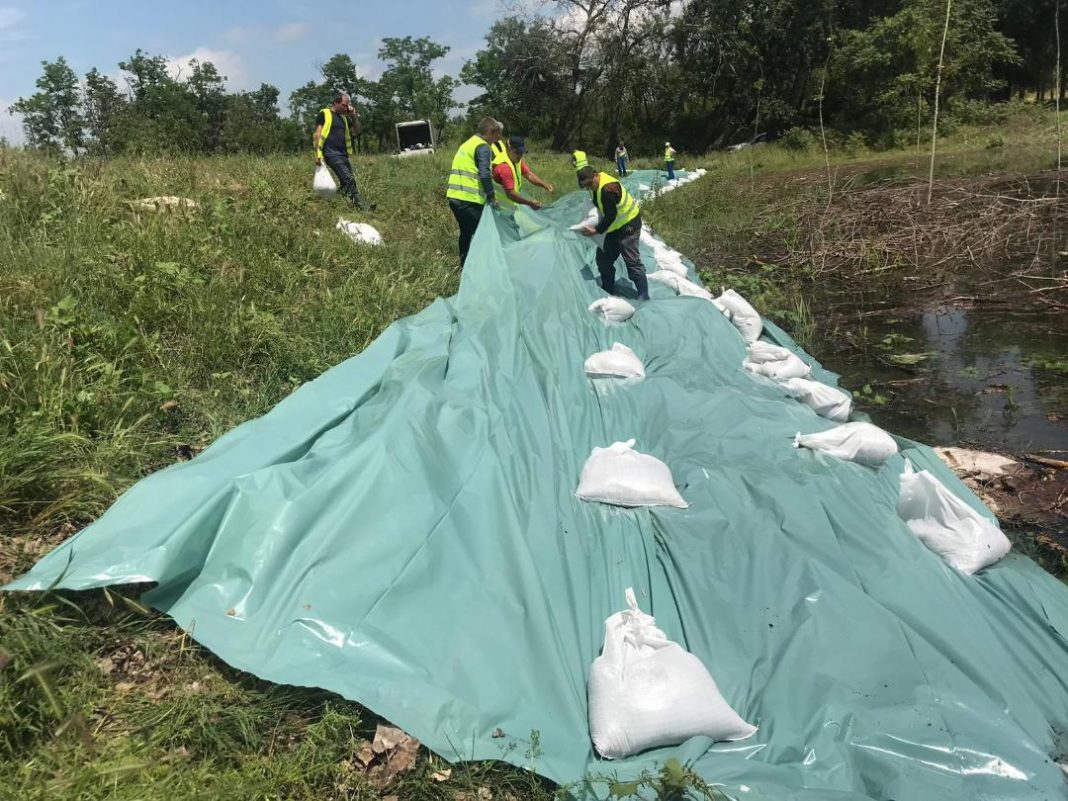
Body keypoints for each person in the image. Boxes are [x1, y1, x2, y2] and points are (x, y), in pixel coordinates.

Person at [573, 153, 649, 301]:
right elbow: (598, 205)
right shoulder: (597, 183)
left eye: (589, 184)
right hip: (615, 227)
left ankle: (644, 294)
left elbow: (610, 216)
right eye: (585, 186)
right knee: (603, 258)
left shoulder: (608, 189)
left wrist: (595, 230)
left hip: (628, 226)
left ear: (595, 175)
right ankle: (608, 288)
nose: (589, 187)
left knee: (631, 261)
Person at [446, 116, 503, 268]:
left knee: (466, 232)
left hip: (454, 198)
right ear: (489, 132)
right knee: (487, 234)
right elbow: (484, 173)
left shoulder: (466, 144)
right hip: (469, 200)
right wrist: (491, 197)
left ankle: (463, 267)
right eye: (496, 135)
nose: (497, 139)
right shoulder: (483, 147)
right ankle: (485, 270)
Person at [314, 93, 373, 211]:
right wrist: (318, 155)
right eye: (344, 105)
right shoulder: (324, 114)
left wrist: (353, 116)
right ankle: (362, 207)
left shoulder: (344, 119)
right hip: (331, 154)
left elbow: (357, 131)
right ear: (336, 102)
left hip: (343, 155)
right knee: (349, 179)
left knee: (346, 183)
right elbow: (318, 134)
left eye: (347, 106)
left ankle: (335, 202)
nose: (346, 108)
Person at [490, 135, 555, 209]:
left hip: (510, 206)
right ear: (510, 149)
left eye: (521, 153)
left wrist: (544, 185)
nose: (520, 156)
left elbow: (529, 175)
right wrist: (530, 203)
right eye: (517, 152)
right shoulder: (504, 168)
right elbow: (511, 195)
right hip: (501, 208)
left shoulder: (515, 160)